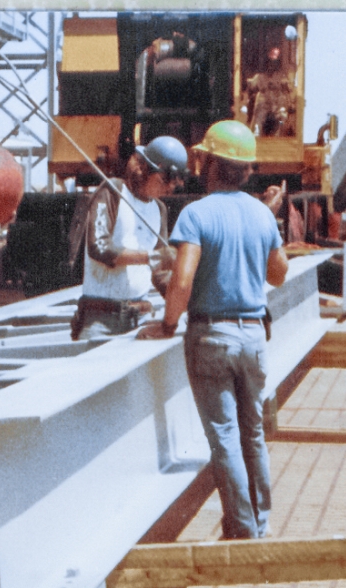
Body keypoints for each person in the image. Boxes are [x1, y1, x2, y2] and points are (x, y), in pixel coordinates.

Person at [138, 119, 289, 540]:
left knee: (224, 438)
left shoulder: (195, 214)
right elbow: (278, 274)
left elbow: (181, 281)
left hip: (211, 338)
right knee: (252, 434)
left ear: (211, 165)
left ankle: (242, 531)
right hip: (254, 335)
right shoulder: (261, 214)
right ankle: (260, 522)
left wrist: (168, 325)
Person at [70, 136, 187, 341]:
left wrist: (184, 301)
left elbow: (160, 273)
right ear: (144, 170)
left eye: (173, 184)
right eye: (164, 180)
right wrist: (153, 257)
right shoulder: (113, 191)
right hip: (101, 319)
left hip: (140, 317)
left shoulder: (158, 210)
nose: (168, 189)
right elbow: (98, 248)